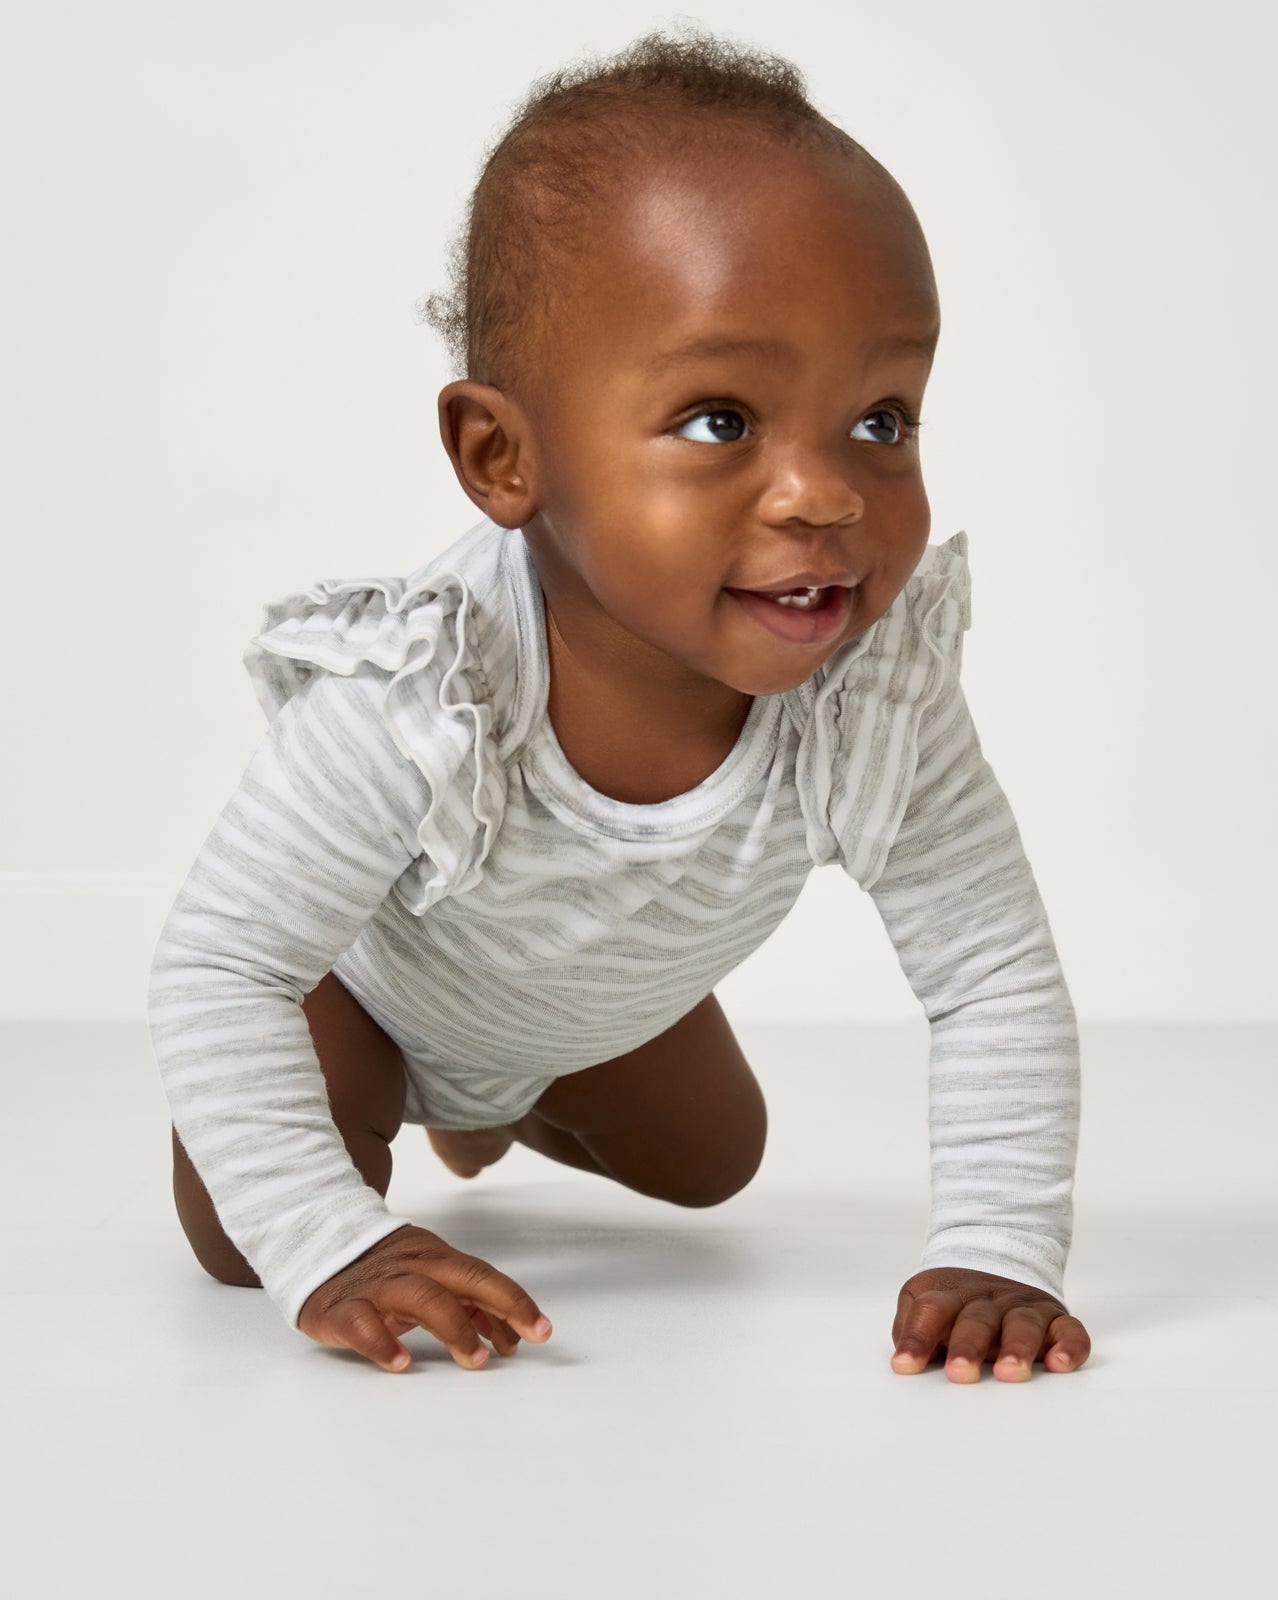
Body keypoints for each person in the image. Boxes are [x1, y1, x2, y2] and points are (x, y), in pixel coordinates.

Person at [148, 25, 1093, 1385]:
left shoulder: (870, 698)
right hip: (350, 1000)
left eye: (881, 419)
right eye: (722, 420)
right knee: (244, 1239)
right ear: (502, 456)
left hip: (570, 1012)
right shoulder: (428, 692)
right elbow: (220, 961)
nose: (825, 494)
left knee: (717, 1163)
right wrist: (328, 1239)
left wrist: (1000, 1249)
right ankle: (380, 1115)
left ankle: (491, 1109)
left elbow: (992, 973)